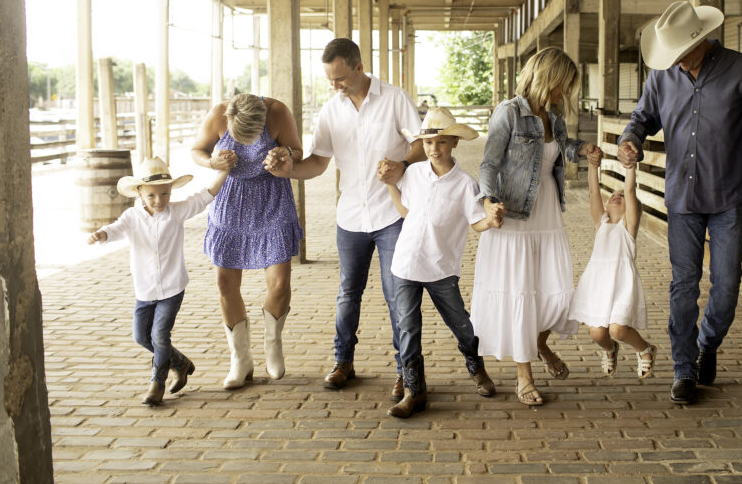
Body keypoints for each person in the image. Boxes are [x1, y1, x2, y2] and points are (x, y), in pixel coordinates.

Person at [617, 0, 742, 404]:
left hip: (730, 195)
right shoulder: (662, 77)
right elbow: (642, 118)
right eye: (670, 57)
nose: (676, 63)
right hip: (683, 197)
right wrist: (629, 141)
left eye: (681, 55)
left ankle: (707, 342)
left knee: (726, 285)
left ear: (702, 41)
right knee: (683, 285)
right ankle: (684, 368)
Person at [263, 38, 425, 401]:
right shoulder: (331, 110)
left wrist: (403, 164)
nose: (335, 86)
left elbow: (420, 143)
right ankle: (343, 362)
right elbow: (318, 162)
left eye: (339, 78)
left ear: (358, 66)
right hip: (350, 216)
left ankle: (405, 371)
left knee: (397, 295)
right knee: (347, 294)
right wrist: (286, 171)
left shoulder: (395, 98)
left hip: (391, 214)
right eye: (329, 80)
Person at [472, 47, 599, 406]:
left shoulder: (553, 116)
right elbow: (489, 163)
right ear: (546, 79)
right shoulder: (508, 113)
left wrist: (583, 148)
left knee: (556, 291)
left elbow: (561, 149)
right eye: (561, 86)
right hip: (514, 215)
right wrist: (488, 200)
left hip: (548, 211)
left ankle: (539, 341)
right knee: (521, 292)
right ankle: (523, 374)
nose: (563, 94)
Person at [378, 108, 505, 418]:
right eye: (429, 142)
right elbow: (406, 211)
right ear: (422, 144)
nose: (435, 149)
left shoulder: (465, 184)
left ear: (454, 144)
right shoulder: (413, 174)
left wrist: (490, 221)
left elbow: (475, 222)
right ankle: (414, 391)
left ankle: (477, 367)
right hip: (406, 263)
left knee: (461, 323)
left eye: (443, 142)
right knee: (407, 327)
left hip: (440, 266)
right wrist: (390, 185)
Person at [87, 156, 231, 405]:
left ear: (171, 191)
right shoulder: (132, 216)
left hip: (172, 287)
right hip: (144, 289)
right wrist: (102, 234)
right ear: (140, 193)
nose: (159, 201)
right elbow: (116, 229)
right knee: (141, 337)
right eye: (152, 196)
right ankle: (181, 363)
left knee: (160, 335)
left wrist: (224, 172)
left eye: (165, 194)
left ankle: (157, 383)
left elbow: (204, 196)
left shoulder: (175, 212)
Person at [190, 93, 304, 389]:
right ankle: (240, 360)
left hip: (272, 200)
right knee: (225, 284)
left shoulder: (278, 112)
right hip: (230, 201)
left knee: (279, 282)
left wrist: (285, 154)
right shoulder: (218, 114)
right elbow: (197, 151)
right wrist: (212, 161)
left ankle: (272, 343)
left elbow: (298, 151)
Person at [568, 147, 657, 379]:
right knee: (597, 333)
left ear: (632, 208)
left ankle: (644, 349)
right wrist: (593, 166)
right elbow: (594, 193)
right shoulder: (602, 223)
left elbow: (629, 189)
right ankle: (609, 349)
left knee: (618, 329)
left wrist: (630, 168)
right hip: (598, 284)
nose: (616, 196)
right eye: (613, 195)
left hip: (620, 283)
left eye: (622, 197)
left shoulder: (628, 227)